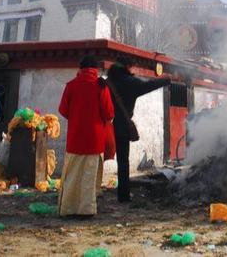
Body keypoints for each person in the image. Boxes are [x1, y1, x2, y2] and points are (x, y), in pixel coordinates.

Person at [105, 57, 171, 203]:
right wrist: (167, 79)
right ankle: (123, 196)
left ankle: (90, 193)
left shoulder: (107, 83)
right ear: (128, 67)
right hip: (122, 125)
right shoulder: (130, 83)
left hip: (105, 126)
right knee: (123, 162)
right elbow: (149, 85)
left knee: (96, 160)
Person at [57, 55, 114, 217]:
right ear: (95, 69)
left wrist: (77, 117)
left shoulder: (71, 86)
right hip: (94, 140)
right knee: (89, 177)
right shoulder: (101, 86)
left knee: (72, 176)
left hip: (75, 139)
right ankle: (86, 210)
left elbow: (63, 110)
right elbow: (109, 113)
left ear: (80, 68)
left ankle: (68, 209)